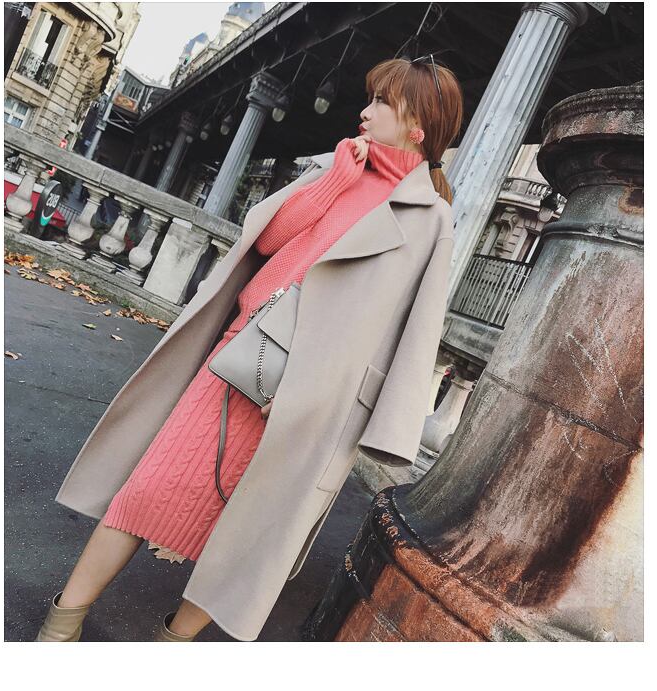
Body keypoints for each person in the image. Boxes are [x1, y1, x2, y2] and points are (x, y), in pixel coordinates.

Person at [36, 56, 464, 642]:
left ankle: (170, 646)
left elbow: (410, 332)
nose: (365, 112)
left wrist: (356, 416)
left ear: (418, 126)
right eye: (370, 98)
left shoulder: (431, 218)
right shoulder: (334, 167)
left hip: (311, 402)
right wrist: (335, 181)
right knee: (147, 488)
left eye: (382, 103)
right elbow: (268, 241)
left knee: (245, 539)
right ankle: (62, 623)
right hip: (240, 354)